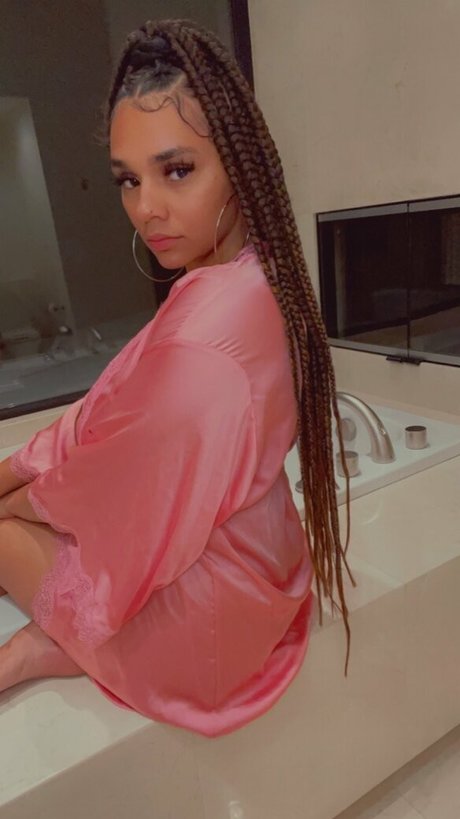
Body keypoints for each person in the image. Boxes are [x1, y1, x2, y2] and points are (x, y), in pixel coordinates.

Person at [0, 19, 352, 737]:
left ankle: (59, 646)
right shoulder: (256, 273)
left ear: (239, 165)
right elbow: (105, 424)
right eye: (129, 180)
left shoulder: (204, 343)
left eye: (178, 170)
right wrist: (18, 467)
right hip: (264, 577)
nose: (146, 208)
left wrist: (18, 490)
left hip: (204, 637)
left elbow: (110, 493)